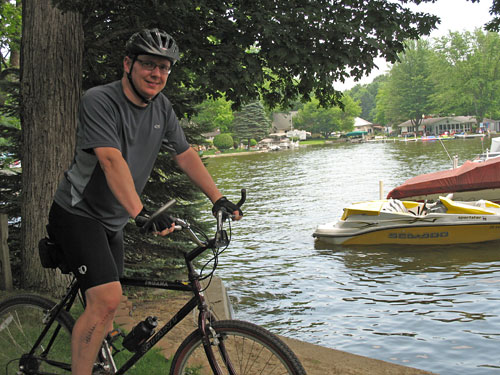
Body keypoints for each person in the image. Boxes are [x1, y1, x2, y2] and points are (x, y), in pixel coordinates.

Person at [47, 28, 243, 375]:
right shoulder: (99, 100)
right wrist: (141, 213)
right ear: (128, 64)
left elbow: (184, 155)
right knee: (105, 300)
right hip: (77, 212)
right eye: (149, 64)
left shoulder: (162, 108)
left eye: (164, 67)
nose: (157, 74)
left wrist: (219, 198)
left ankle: (100, 360)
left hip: (113, 220)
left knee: (111, 301)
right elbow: (110, 160)